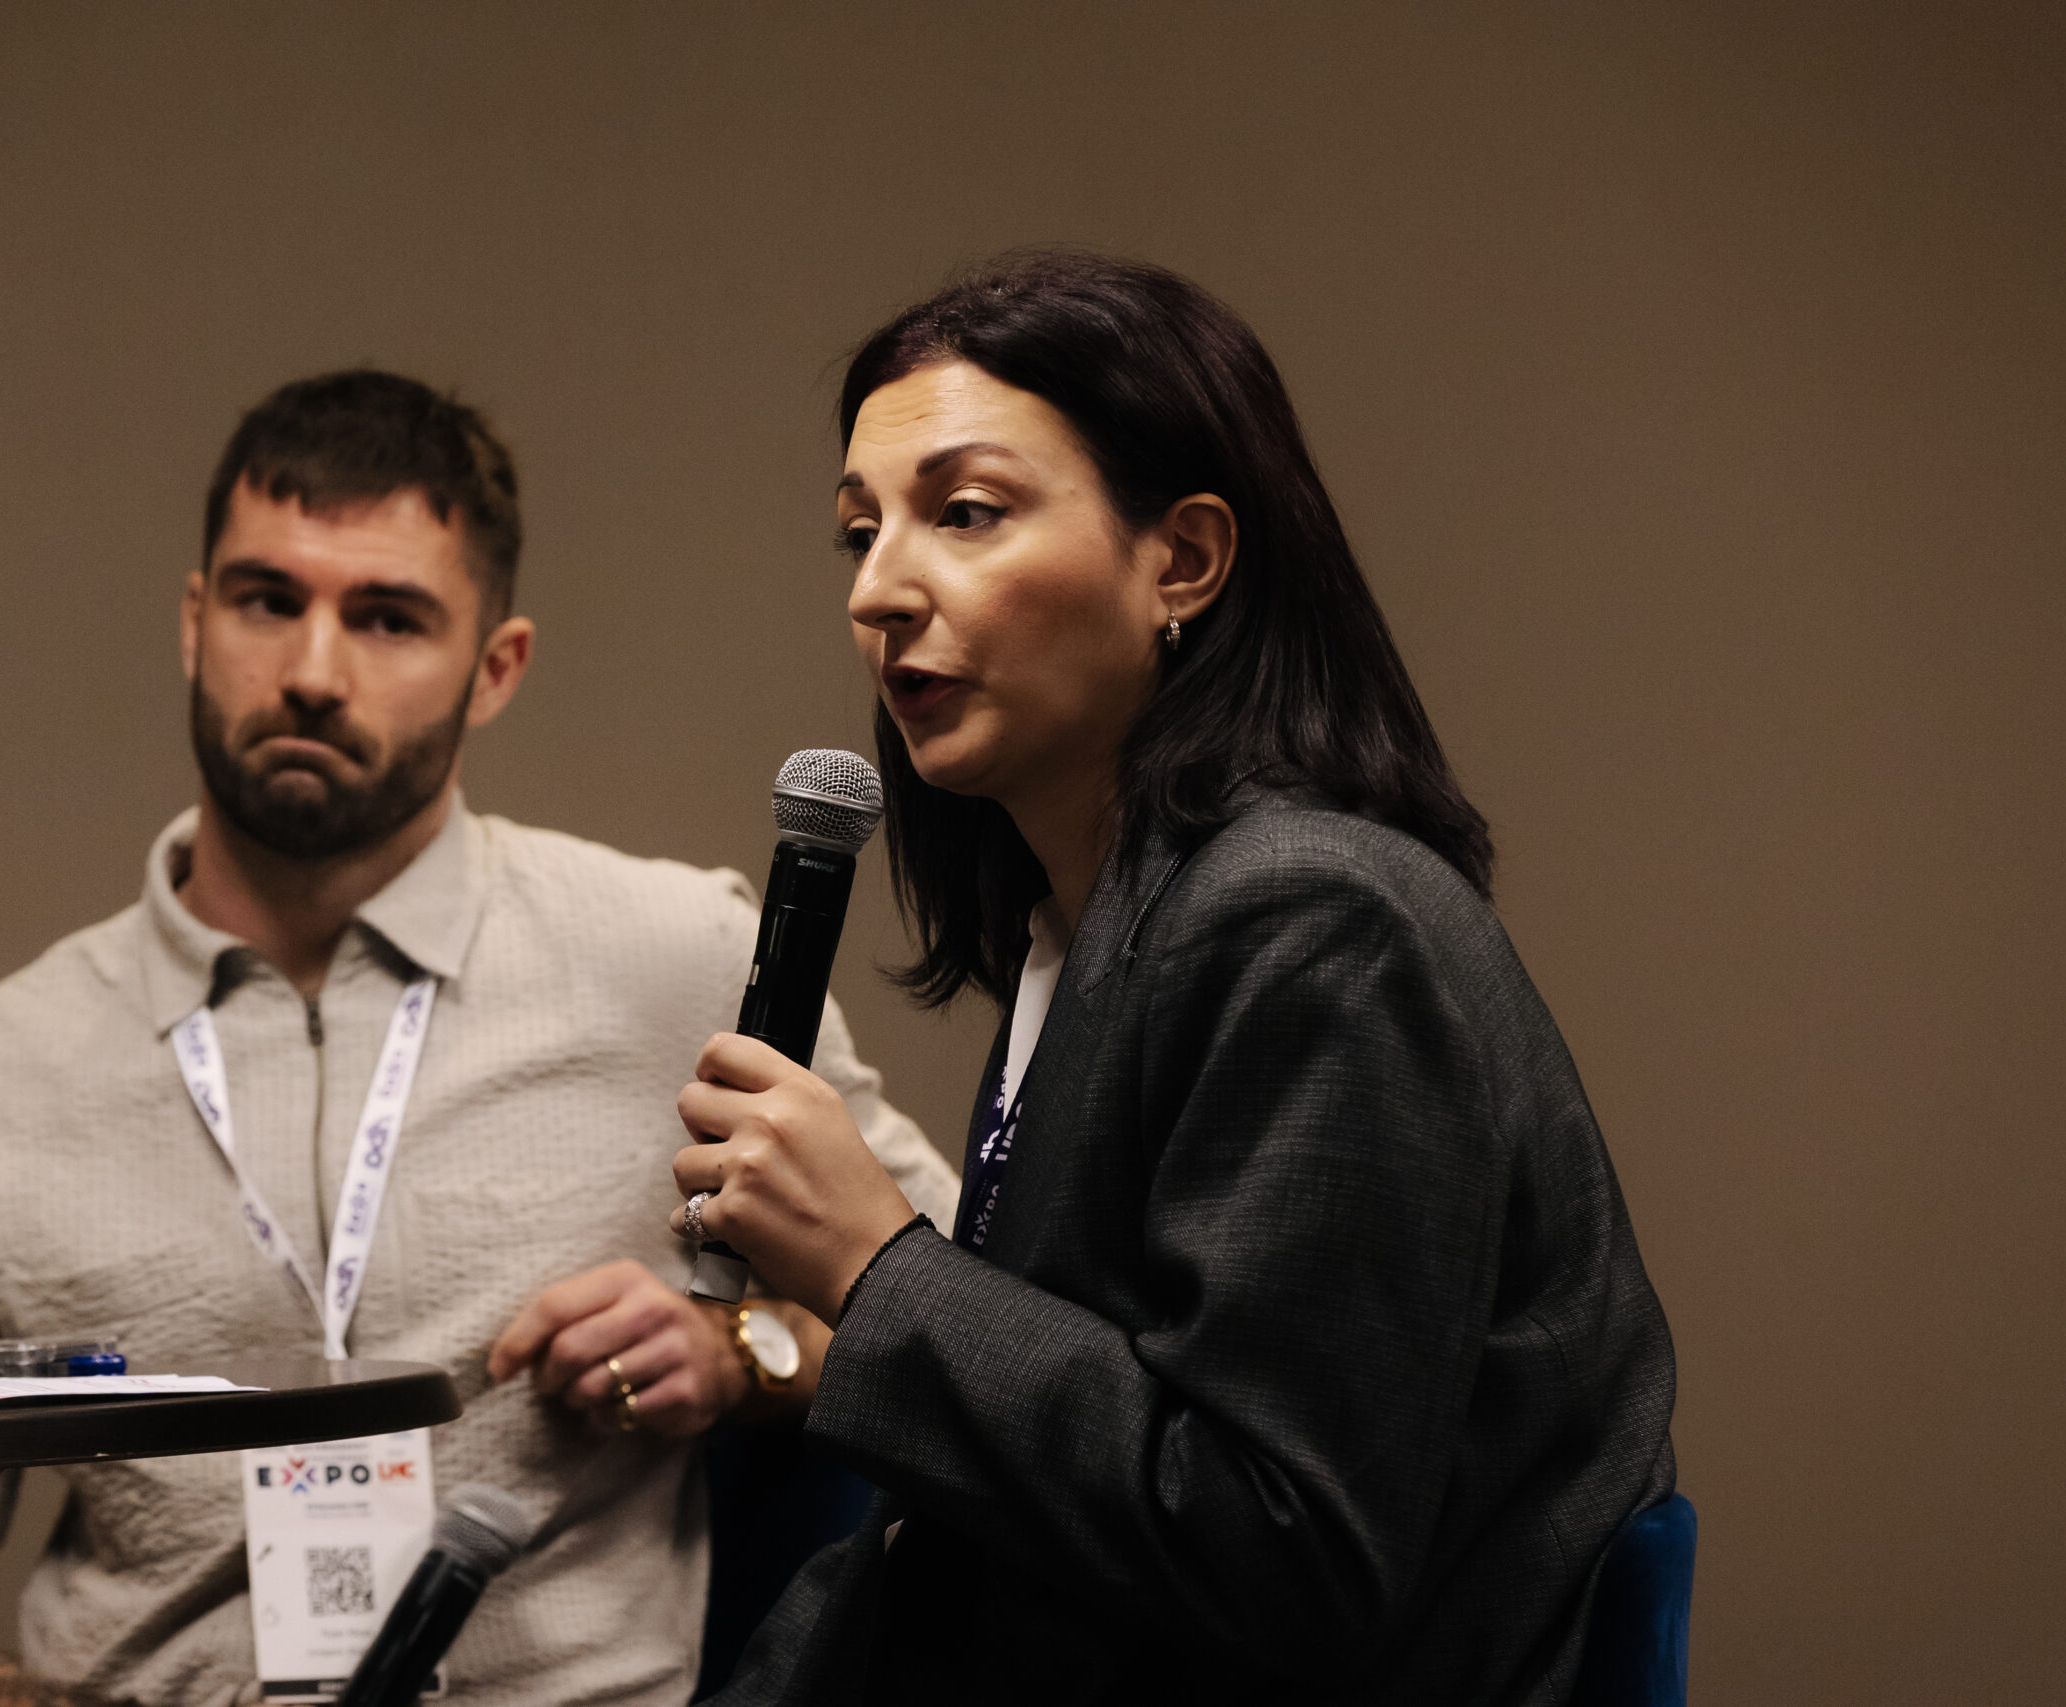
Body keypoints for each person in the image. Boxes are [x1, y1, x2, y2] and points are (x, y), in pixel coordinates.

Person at [0, 370, 958, 1707]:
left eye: (389, 618)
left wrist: (740, 1354)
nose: (310, 673)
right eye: (266, 601)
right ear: (193, 623)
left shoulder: (681, 959)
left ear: (495, 667)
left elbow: (963, 1339)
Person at [669, 252, 1678, 1705]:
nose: (878, 592)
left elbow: (1283, 1551)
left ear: (1183, 561)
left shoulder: (1318, 920)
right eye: (859, 532)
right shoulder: (1089, 927)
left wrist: (874, 1265)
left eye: (965, 513)